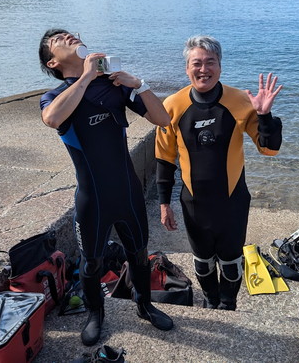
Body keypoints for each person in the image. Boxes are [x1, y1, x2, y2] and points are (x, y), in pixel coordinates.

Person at [38, 29, 173, 346]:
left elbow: (163, 118)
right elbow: (52, 118)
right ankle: (96, 315)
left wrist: (138, 84)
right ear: (54, 61)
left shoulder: (112, 86)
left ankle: (144, 306)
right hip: (93, 198)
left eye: (71, 33)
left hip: (127, 193)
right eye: (59, 38)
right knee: (91, 262)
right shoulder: (56, 96)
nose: (69, 35)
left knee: (139, 254)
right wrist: (84, 78)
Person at [155, 35, 283, 310]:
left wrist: (265, 116)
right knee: (202, 260)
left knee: (231, 260)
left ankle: (229, 304)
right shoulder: (172, 106)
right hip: (194, 202)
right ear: (187, 68)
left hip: (232, 201)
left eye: (210, 62)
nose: (203, 69)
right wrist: (164, 204)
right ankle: (211, 301)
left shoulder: (240, 101)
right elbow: (164, 158)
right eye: (196, 63)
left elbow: (269, 149)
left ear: (220, 67)